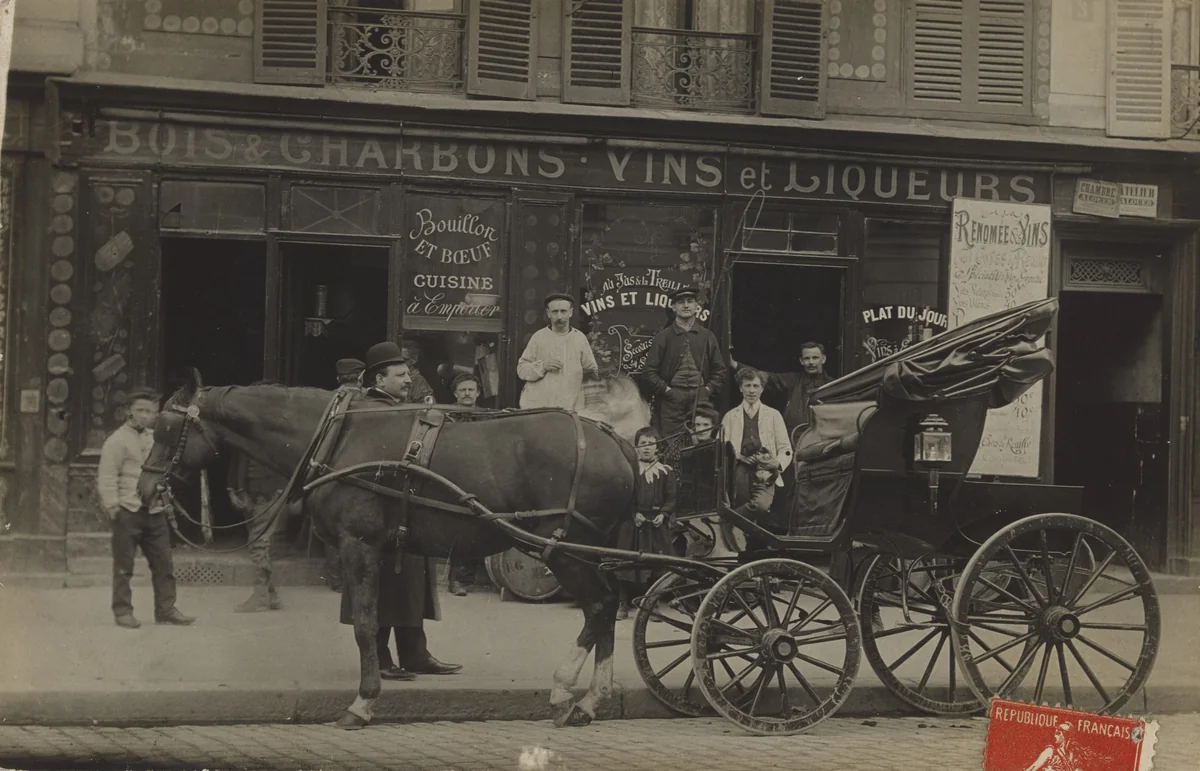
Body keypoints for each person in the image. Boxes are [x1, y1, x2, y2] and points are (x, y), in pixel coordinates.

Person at [339, 341, 461, 680]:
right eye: (401, 375)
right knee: (379, 585)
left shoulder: (398, 408)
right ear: (380, 380)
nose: (409, 380)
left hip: (404, 510)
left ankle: (414, 654)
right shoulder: (371, 412)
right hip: (378, 514)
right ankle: (380, 658)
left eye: (408, 373)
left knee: (408, 584)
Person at [97, 387, 195, 629]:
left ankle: (166, 609)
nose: (145, 415)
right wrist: (112, 506)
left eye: (151, 411)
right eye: (140, 410)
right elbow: (107, 476)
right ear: (127, 412)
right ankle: (122, 611)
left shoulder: (155, 439)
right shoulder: (116, 441)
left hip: (155, 510)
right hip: (128, 511)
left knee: (164, 564)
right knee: (124, 566)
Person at [228, 380, 289, 612]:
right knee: (259, 542)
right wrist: (233, 488)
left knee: (258, 545)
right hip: (250, 493)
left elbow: (287, 460)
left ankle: (261, 597)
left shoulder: (280, 427)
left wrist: (282, 491)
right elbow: (238, 458)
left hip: (269, 492)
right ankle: (271, 596)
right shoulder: (248, 425)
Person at [643, 287, 727, 442]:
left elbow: (720, 371)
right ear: (673, 307)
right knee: (673, 443)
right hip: (672, 400)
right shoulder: (663, 337)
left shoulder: (707, 336)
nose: (686, 306)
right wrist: (667, 391)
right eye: (680, 302)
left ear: (696, 306)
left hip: (700, 398)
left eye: (690, 301)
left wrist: (707, 390)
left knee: (702, 442)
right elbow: (649, 372)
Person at [720, 368, 793, 545]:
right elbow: (722, 446)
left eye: (756, 386)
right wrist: (739, 457)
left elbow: (785, 447)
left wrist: (777, 464)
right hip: (740, 470)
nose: (752, 390)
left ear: (762, 389)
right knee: (745, 513)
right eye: (747, 386)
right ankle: (745, 552)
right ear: (740, 388)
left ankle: (727, 520)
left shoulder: (773, 415)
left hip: (765, 471)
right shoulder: (730, 416)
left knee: (761, 507)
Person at [614, 427, 678, 620]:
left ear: (657, 447)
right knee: (626, 563)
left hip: (656, 525)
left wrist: (664, 514)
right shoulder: (630, 471)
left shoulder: (665, 472)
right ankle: (622, 604)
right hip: (634, 524)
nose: (647, 448)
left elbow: (672, 498)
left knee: (656, 565)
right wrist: (634, 513)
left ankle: (653, 605)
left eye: (651, 444)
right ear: (636, 448)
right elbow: (624, 496)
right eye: (643, 444)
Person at [733, 341, 833, 441]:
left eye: (815, 358)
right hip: (793, 439)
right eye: (807, 358)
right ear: (801, 361)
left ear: (823, 359)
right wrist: (735, 365)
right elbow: (763, 377)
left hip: (823, 440)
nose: (811, 362)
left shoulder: (833, 385)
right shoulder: (793, 380)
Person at [516, 293, 599, 411]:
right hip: (539, 408)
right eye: (555, 312)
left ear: (570, 313)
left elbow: (591, 371)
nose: (559, 316)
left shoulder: (579, 338)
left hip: (569, 410)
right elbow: (522, 370)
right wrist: (542, 366)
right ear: (548, 313)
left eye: (563, 311)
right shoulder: (539, 337)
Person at [446, 372, 483, 597]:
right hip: (452, 477)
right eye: (463, 390)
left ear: (478, 393)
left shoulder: (488, 417)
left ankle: (468, 578)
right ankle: (456, 580)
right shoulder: (447, 417)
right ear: (456, 394)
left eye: (471, 390)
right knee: (459, 529)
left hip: (479, 478)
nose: (467, 394)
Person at [399, 339, 438, 405]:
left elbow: (429, 410)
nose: (398, 363)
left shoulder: (419, 383)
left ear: (414, 360)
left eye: (402, 359)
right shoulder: (393, 377)